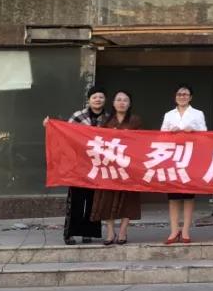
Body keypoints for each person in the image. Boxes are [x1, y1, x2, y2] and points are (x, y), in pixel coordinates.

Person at [45, 85, 108, 245]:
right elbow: (65, 134)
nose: (98, 100)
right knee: (76, 201)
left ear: (105, 99)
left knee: (94, 202)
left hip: (98, 166)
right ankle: (69, 233)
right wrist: (50, 126)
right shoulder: (78, 116)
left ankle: (88, 233)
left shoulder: (108, 118)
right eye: (94, 97)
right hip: (78, 165)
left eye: (101, 97)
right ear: (89, 100)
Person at [90, 90, 143, 245]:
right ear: (113, 103)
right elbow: (95, 139)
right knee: (107, 199)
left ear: (129, 104)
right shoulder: (105, 120)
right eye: (118, 99)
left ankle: (123, 231)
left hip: (128, 166)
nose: (121, 103)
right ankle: (110, 231)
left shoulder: (135, 120)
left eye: (125, 100)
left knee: (128, 200)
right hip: (109, 166)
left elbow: (142, 142)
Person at [160, 84, 207, 244]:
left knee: (188, 196)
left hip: (190, 158)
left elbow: (206, 135)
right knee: (173, 197)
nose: (182, 97)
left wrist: (193, 131)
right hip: (172, 158)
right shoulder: (168, 114)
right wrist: (169, 133)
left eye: (185, 94)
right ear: (175, 97)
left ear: (190, 97)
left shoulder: (198, 114)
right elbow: (160, 136)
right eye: (179, 94)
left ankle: (185, 230)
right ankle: (174, 230)